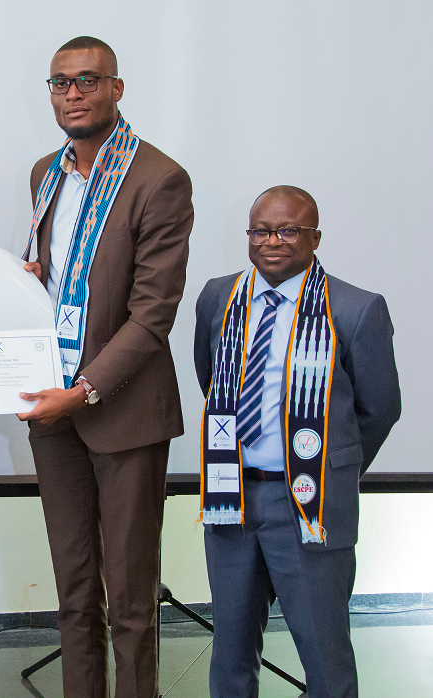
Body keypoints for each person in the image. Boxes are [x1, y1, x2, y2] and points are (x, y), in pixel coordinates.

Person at [18, 36, 194, 698]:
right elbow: (63, 284)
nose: (72, 93)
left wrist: (83, 391)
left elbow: (152, 318)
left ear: (116, 89)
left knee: (129, 602)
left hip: (122, 411)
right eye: (60, 83)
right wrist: (28, 284)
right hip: (52, 411)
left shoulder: (159, 179)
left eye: (87, 81)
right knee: (73, 592)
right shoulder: (45, 172)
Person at [194, 185, 400, 697]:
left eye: (288, 230)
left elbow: (379, 410)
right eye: (260, 230)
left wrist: (326, 468)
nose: (272, 241)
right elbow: (210, 379)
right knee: (231, 657)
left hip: (308, 507)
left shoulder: (355, 309)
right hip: (232, 500)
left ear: (315, 237)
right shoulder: (219, 297)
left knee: (325, 658)